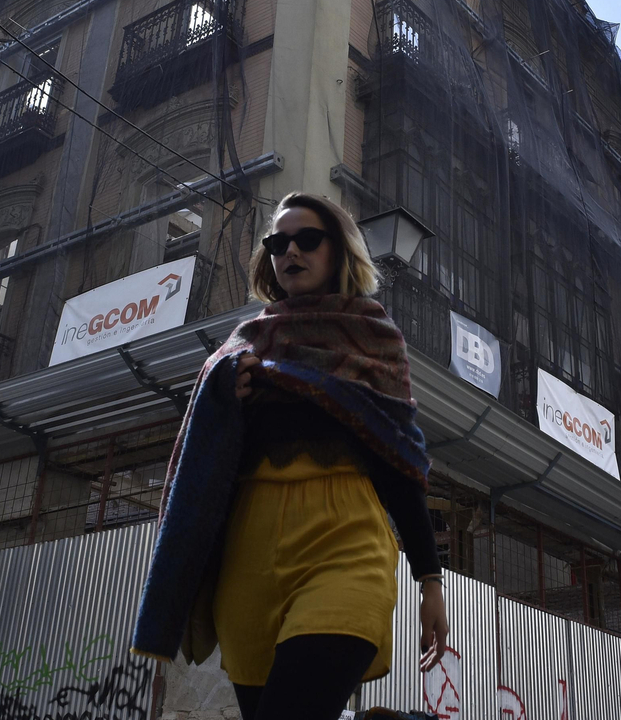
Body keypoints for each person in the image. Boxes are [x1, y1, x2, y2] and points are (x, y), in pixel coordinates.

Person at [132, 192, 448, 720]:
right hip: (248, 561)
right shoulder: (244, 345)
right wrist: (228, 394)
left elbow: (399, 465)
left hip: (344, 544)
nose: (290, 251)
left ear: (339, 251)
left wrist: (430, 581)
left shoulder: (375, 339)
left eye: (307, 240)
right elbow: (208, 460)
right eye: (278, 243)